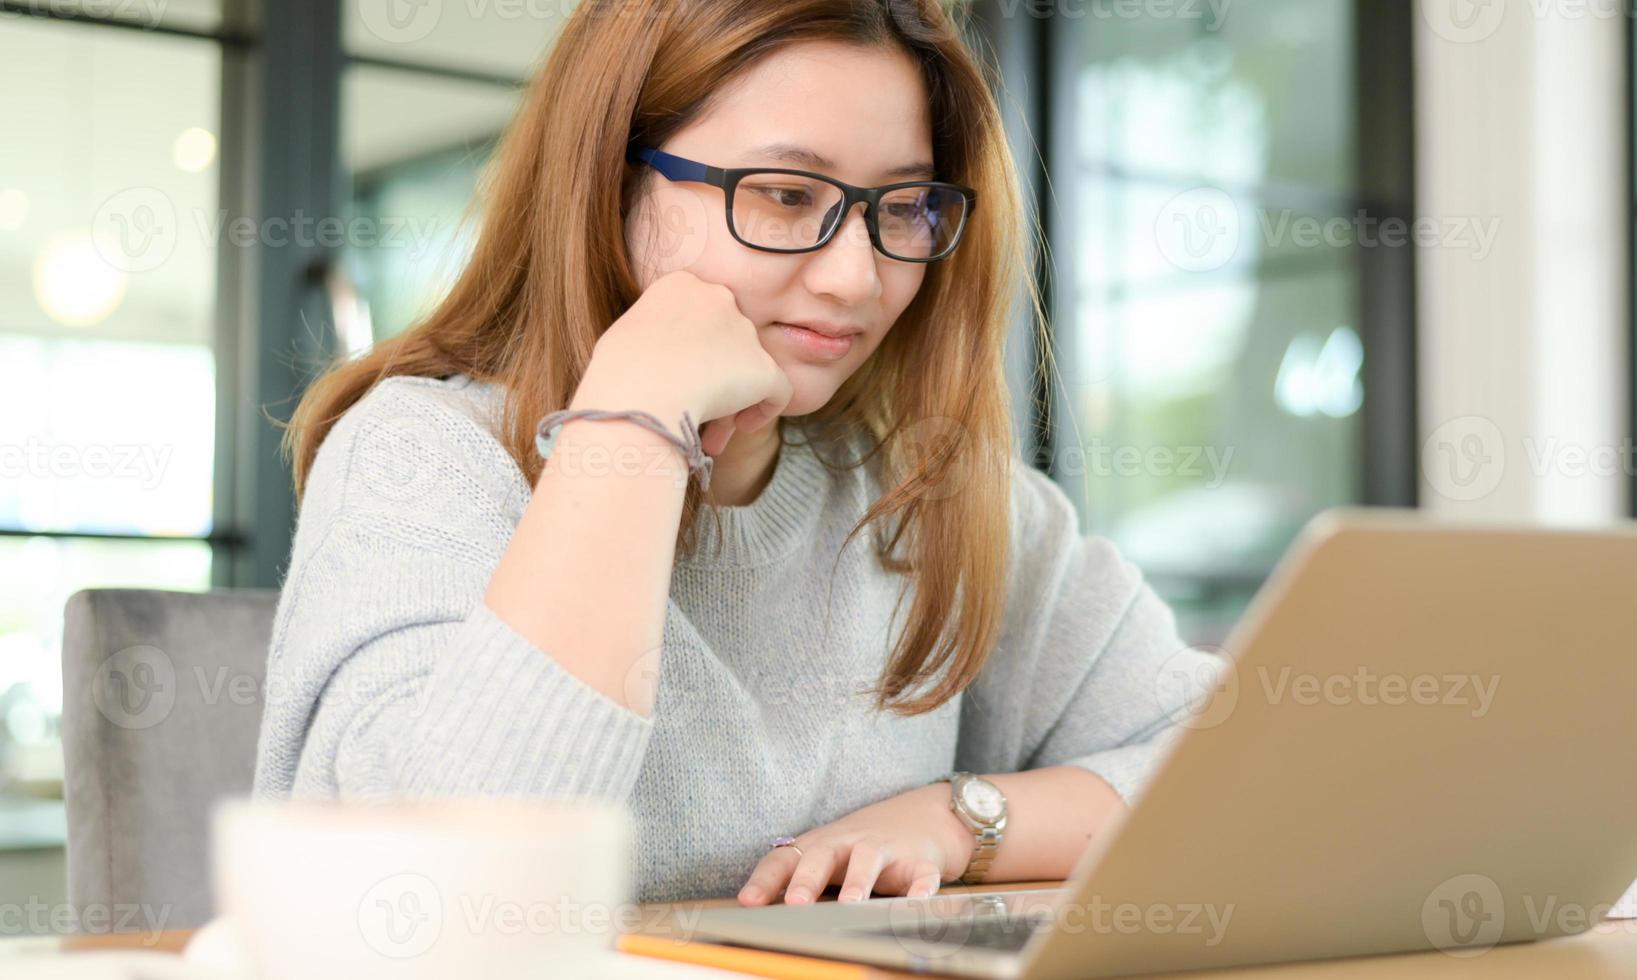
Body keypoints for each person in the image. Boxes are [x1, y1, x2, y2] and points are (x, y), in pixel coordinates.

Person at [251, 0, 1220, 909]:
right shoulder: (423, 457)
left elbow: (1246, 764)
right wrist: (631, 423)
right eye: (787, 195)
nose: (856, 278)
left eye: (903, 207)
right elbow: (425, 899)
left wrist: (959, 820)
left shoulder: (937, 493)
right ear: (613, 177)